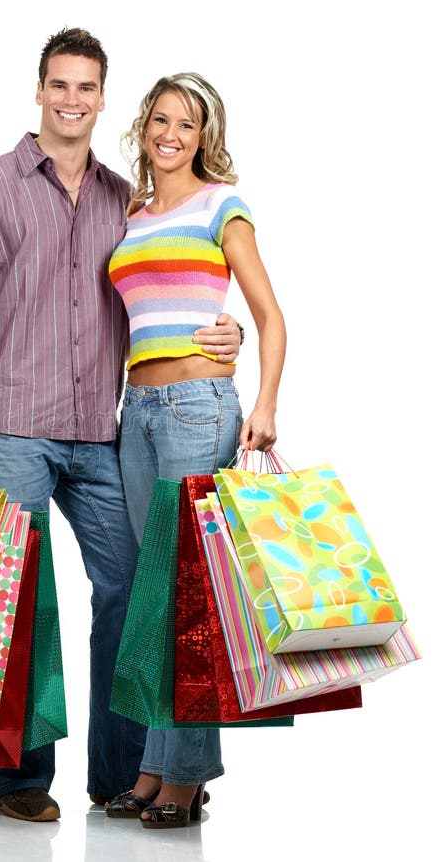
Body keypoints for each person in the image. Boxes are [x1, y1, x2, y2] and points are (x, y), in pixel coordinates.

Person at [0, 29, 242, 823]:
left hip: (102, 430)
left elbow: (169, 282)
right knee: (22, 599)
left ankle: (125, 772)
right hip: (10, 429)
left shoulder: (122, 200)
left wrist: (226, 329)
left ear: (104, 100)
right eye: (59, 85)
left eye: (86, 88)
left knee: (132, 590)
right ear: (38, 90)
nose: (72, 100)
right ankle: (18, 782)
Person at [105, 72, 286, 828]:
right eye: (159, 120)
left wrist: (266, 402)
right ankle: (153, 765)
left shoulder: (222, 207)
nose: (170, 134)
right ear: (143, 128)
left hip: (196, 407)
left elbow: (270, 318)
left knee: (189, 597)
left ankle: (185, 775)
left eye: (186, 123)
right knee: (154, 597)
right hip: (134, 411)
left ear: (205, 136)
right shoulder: (133, 214)